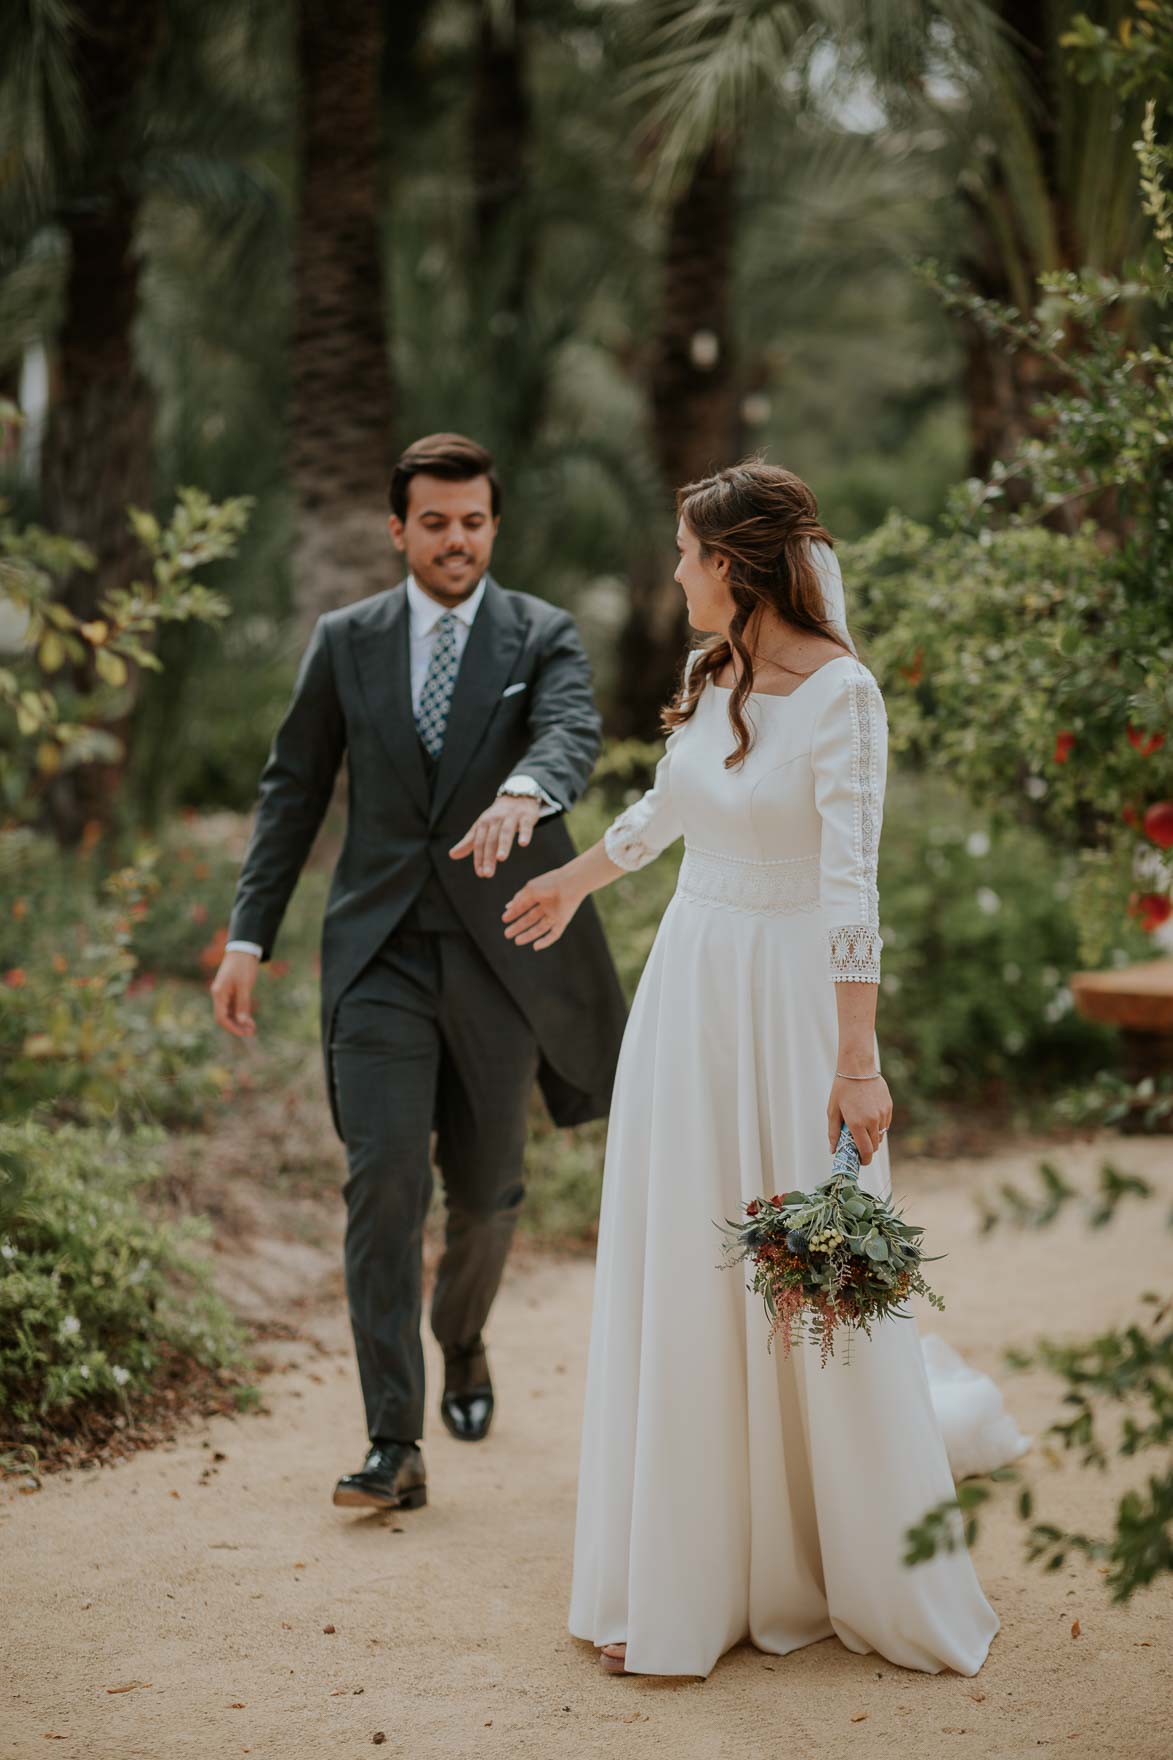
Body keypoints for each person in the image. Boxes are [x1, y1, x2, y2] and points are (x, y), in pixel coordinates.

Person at [500, 461, 1023, 1679]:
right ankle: (691, 1568)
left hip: (790, 1006)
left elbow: (853, 886)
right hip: (691, 988)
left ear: (731, 565)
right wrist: (578, 876)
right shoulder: (711, 671)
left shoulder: (844, 695)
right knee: (688, 1257)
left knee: (800, 1271)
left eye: (685, 552)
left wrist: (856, 1062)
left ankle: (828, 1548)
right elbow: (673, 804)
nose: (674, 570)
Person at [211, 432, 627, 1513]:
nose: (457, 539)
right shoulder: (346, 640)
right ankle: (392, 1439)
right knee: (382, 1185)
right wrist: (248, 934)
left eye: (474, 520)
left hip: (504, 962)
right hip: (380, 957)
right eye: (435, 522)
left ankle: (465, 1336)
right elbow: (290, 789)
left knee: (487, 1198)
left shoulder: (544, 634)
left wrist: (529, 788)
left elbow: (573, 729)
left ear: (495, 523)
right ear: (399, 529)